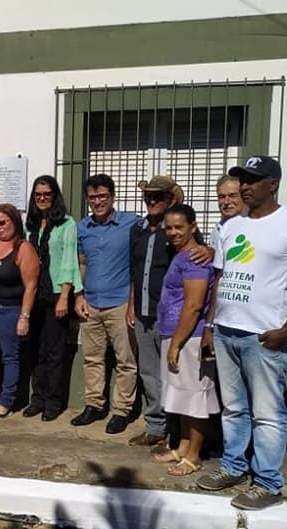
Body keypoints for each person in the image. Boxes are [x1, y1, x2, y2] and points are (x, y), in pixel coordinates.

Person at [197, 156, 287, 510]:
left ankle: (268, 483)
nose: (245, 186)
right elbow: (220, 278)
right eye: (243, 180)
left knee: (267, 413)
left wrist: (285, 331)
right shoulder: (232, 226)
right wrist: (210, 325)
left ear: (273, 184)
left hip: (263, 337)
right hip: (226, 332)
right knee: (233, 408)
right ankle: (234, 466)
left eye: (253, 180)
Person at [151, 204, 219, 477]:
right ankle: (182, 446)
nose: (173, 232)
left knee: (194, 398)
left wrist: (178, 343)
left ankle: (194, 456)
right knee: (180, 396)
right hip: (175, 333)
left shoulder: (194, 259)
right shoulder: (181, 255)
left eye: (180, 227)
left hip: (189, 338)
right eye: (169, 227)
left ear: (193, 227)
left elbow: (194, 305)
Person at [73, 173, 139, 434]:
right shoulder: (83, 227)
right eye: (92, 197)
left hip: (120, 303)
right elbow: (81, 263)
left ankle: (121, 411)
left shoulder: (131, 223)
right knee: (92, 359)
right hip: (91, 304)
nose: (97, 201)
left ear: (112, 196)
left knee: (126, 361)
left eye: (102, 196)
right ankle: (94, 405)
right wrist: (79, 295)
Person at [125, 176, 184, 447]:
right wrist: (132, 305)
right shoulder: (137, 230)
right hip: (143, 312)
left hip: (170, 314)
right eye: (148, 197)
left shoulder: (176, 231)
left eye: (157, 197)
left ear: (170, 200)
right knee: (148, 371)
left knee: (173, 373)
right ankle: (156, 428)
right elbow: (137, 271)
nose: (151, 201)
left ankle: (177, 431)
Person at [24, 175, 82, 422]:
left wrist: (65, 296)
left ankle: (53, 401)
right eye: (38, 194)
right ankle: (37, 398)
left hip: (57, 293)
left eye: (47, 194)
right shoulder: (31, 225)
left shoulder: (67, 224)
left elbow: (70, 261)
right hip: (34, 294)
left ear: (54, 195)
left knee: (55, 351)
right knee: (36, 349)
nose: (42, 198)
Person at [0, 203, 38, 420]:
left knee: (9, 358)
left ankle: (6, 401)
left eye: (3, 223)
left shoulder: (23, 248)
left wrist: (24, 317)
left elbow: (31, 286)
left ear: (14, 221)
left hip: (9, 312)